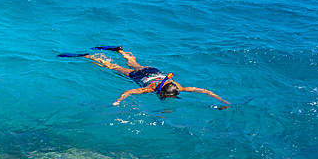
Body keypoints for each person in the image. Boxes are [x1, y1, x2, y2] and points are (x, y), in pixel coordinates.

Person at [58, 46, 229, 107]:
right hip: (139, 75)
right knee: (114, 67)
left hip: (151, 70)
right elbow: (129, 91)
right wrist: (119, 100)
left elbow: (204, 90)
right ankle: (88, 56)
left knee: (134, 62)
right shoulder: (149, 89)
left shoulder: (177, 86)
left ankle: (121, 50)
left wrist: (220, 99)